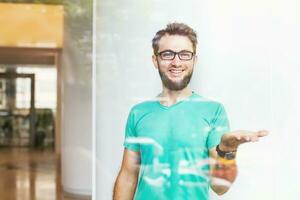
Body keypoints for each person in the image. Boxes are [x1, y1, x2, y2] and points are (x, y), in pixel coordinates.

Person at [113, 22, 268, 200]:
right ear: (155, 60)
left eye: (185, 54)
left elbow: (220, 187)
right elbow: (127, 177)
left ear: (194, 60)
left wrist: (227, 150)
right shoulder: (138, 113)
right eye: (167, 54)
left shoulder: (213, 111)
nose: (176, 62)